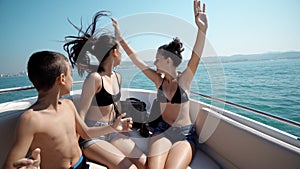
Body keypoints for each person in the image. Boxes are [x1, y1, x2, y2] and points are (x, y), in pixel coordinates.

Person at [113, 0, 208, 168]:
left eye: (157, 59)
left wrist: (202, 30)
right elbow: (137, 59)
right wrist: (120, 39)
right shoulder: (158, 81)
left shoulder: (185, 79)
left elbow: (196, 56)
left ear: (168, 60)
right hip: (163, 131)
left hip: (184, 134)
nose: (154, 62)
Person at [3, 51, 133, 169]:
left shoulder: (68, 105)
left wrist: (113, 127)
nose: (73, 79)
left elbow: (86, 133)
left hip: (81, 164)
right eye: (70, 74)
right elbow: (10, 165)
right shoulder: (31, 119)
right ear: (62, 79)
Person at [64, 11, 147, 169]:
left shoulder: (118, 77)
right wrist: (73, 149)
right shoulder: (94, 79)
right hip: (94, 136)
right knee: (130, 168)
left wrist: (122, 124)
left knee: (143, 162)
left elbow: (115, 108)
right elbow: (80, 116)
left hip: (114, 130)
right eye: (120, 51)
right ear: (115, 52)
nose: (122, 55)